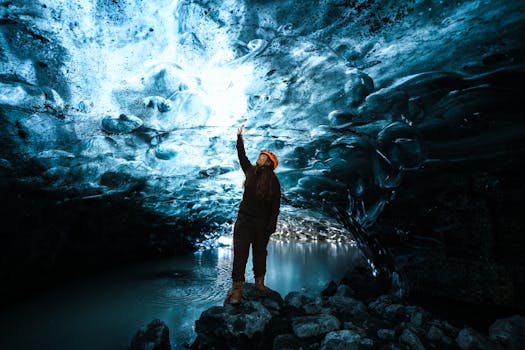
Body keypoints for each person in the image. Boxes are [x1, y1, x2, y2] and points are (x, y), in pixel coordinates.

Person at [224, 124, 281, 305]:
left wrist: (271, 225)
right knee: (240, 253)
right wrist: (239, 138)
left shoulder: (273, 180)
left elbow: (275, 205)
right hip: (244, 220)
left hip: (262, 224)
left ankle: (259, 284)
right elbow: (242, 156)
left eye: (263, 156)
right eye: (260, 155)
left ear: (270, 162)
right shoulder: (249, 171)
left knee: (259, 254)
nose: (259, 157)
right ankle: (237, 289)